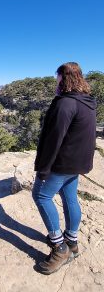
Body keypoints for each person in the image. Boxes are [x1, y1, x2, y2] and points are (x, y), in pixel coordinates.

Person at [32, 62, 97, 274]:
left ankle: (60, 247)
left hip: (62, 163)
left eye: (57, 77)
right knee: (70, 197)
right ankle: (72, 241)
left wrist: (43, 169)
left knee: (41, 196)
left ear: (64, 77)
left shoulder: (65, 103)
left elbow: (53, 140)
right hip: (76, 163)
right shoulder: (86, 101)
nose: (55, 82)